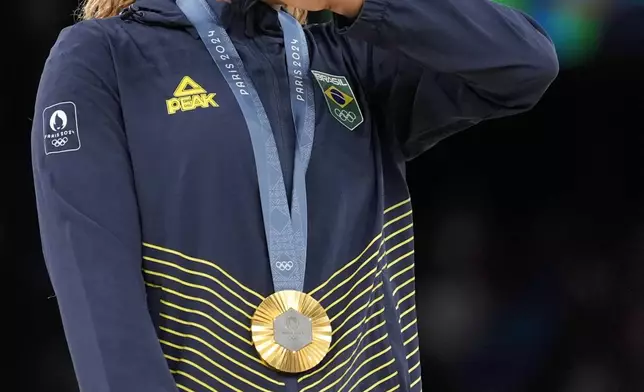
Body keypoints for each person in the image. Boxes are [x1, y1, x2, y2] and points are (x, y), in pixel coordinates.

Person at [31, 0, 558, 390]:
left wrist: (357, 2)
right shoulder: (102, 59)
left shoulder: (349, 55)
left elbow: (525, 63)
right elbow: (100, 301)